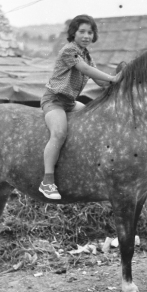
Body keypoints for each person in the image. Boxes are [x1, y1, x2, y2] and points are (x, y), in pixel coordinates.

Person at [39, 14, 121, 200]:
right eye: (82, 31)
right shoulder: (70, 51)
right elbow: (85, 70)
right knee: (59, 133)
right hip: (54, 100)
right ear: (73, 33)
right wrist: (112, 77)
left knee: (93, 120)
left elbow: (99, 80)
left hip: (69, 102)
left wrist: (117, 84)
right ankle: (47, 181)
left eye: (90, 32)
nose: (86, 35)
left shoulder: (87, 55)